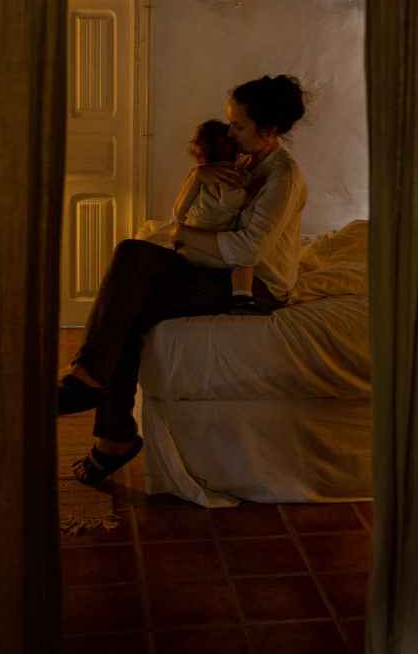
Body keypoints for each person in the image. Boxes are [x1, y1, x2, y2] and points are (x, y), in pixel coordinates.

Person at [57, 73, 308, 487]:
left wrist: (179, 234)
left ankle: (101, 409)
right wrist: (199, 176)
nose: (230, 132)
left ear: (268, 130)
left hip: (256, 285)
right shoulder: (243, 159)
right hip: (214, 267)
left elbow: (247, 251)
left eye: (239, 125)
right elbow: (201, 208)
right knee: (130, 273)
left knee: (134, 271)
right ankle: (106, 416)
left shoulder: (283, 178)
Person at [143, 118, 257, 311]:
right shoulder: (232, 177)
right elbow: (232, 204)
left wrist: (197, 179)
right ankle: (242, 297)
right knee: (244, 260)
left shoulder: (199, 175)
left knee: (153, 238)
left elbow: (178, 213)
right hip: (209, 247)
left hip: (188, 246)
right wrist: (247, 185)